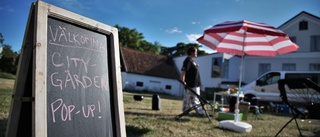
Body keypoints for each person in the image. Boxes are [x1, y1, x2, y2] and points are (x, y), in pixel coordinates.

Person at [181, 46, 204, 116]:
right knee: (195, 98)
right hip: (191, 84)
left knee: (188, 98)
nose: (197, 53)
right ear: (191, 52)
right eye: (196, 51)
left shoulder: (192, 60)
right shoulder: (187, 60)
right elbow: (183, 71)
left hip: (195, 83)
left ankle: (186, 110)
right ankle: (200, 113)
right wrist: (183, 81)